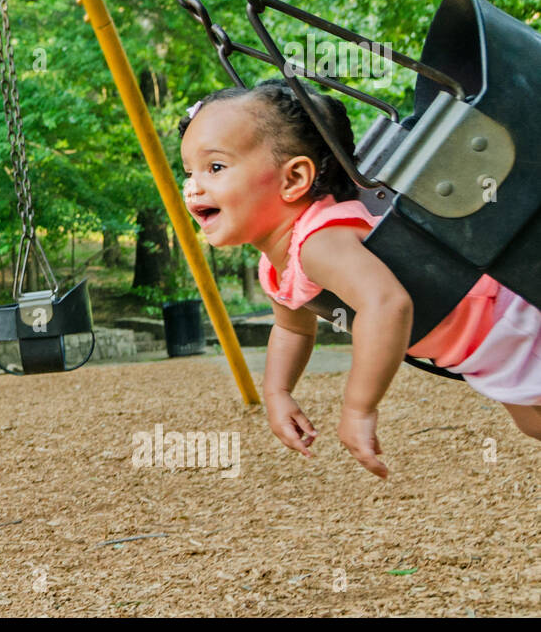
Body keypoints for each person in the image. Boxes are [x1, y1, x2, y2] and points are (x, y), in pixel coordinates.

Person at [178, 79, 541, 478]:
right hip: (482, 347)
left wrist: (358, 408)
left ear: (294, 179)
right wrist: (277, 392)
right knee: (531, 422)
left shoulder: (320, 241)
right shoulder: (276, 265)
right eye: (188, 171)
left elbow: (386, 304)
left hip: (504, 317)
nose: (193, 187)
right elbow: (292, 331)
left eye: (215, 167)